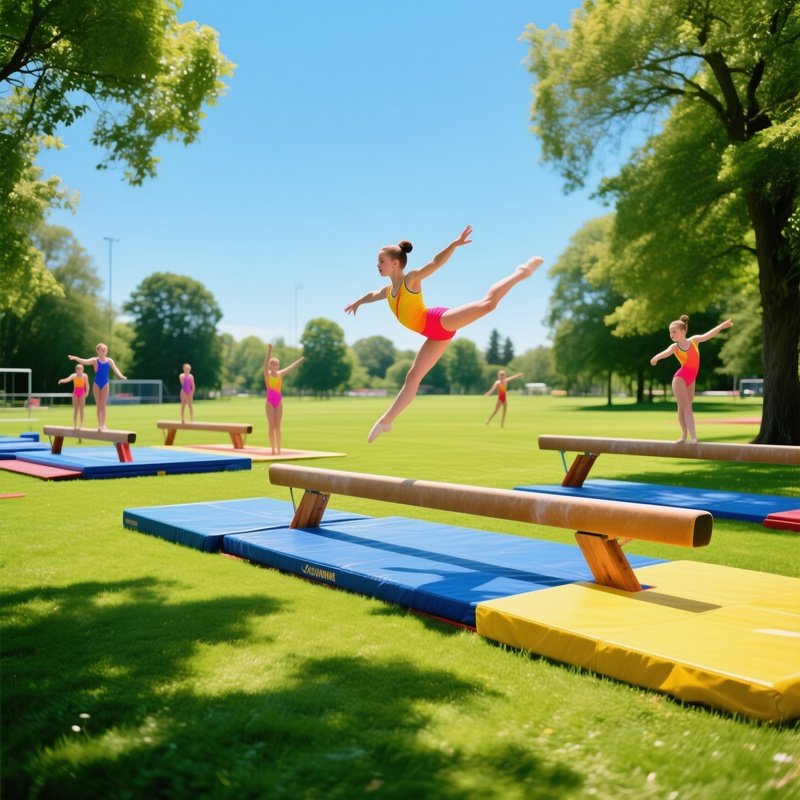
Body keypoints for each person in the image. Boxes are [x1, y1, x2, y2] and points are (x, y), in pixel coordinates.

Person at [344, 225, 543, 442]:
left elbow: (435, 263)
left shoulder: (411, 280)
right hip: (434, 335)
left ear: (395, 263)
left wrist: (454, 244)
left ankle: (521, 272)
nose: (378, 265)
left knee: (488, 305)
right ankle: (386, 421)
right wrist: (358, 302)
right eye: (378, 261)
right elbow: (372, 294)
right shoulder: (387, 291)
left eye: (381, 261)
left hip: (438, 321)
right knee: (412, 377)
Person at [650, 315, 733, 443]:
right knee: (686, 407)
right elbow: (665, 353)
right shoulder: (675, 347)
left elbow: (708, 335)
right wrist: (656, 358)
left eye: (674, 331)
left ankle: (685, 435)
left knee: (684, 407)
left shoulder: (694, 341)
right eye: (670, 332)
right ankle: (691, 436)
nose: (671, 334)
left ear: (683, 332)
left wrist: (722, 326)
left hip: (691, 379)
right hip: (680, 378)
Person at [67, 343, 127, 430]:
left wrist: (121, 376)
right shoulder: (95, 360)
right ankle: (99, 425)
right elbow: (85, 361)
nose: (104, 351)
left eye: (105, 350)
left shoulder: (109, 360)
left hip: (105, 384)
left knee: (103, 405)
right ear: (98, 351)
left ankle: (103, 424)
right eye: (102, 350)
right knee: (98, 405)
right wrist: (75, 358)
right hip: (97, 384)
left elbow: (115, 369)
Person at [264, 343, 305, 454]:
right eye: (274, 364)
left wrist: (300, 360)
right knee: (271, 426)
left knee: (278, 426)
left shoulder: (280, 374)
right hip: (269, 401)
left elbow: (291, 367)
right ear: (270, 365)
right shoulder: (267, 374)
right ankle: (272, 449)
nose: (276, 366)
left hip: (278, 401)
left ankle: (279, 449)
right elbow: (264, 364)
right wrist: (269, 351)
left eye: (278, 364)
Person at [57, 363, 89, 428]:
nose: (80, 371)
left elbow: (87, 385)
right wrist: (61, 381)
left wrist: (87, 392)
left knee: (82, 409)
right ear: (76, 370)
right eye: (78, 370)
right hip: (75, 392)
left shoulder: (85, 376)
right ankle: (74, 425)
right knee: (75, 409)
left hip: (82, 392)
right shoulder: (73, 376)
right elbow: (67, 379)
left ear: (83, 370)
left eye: (81, 369)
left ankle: (81, 424)